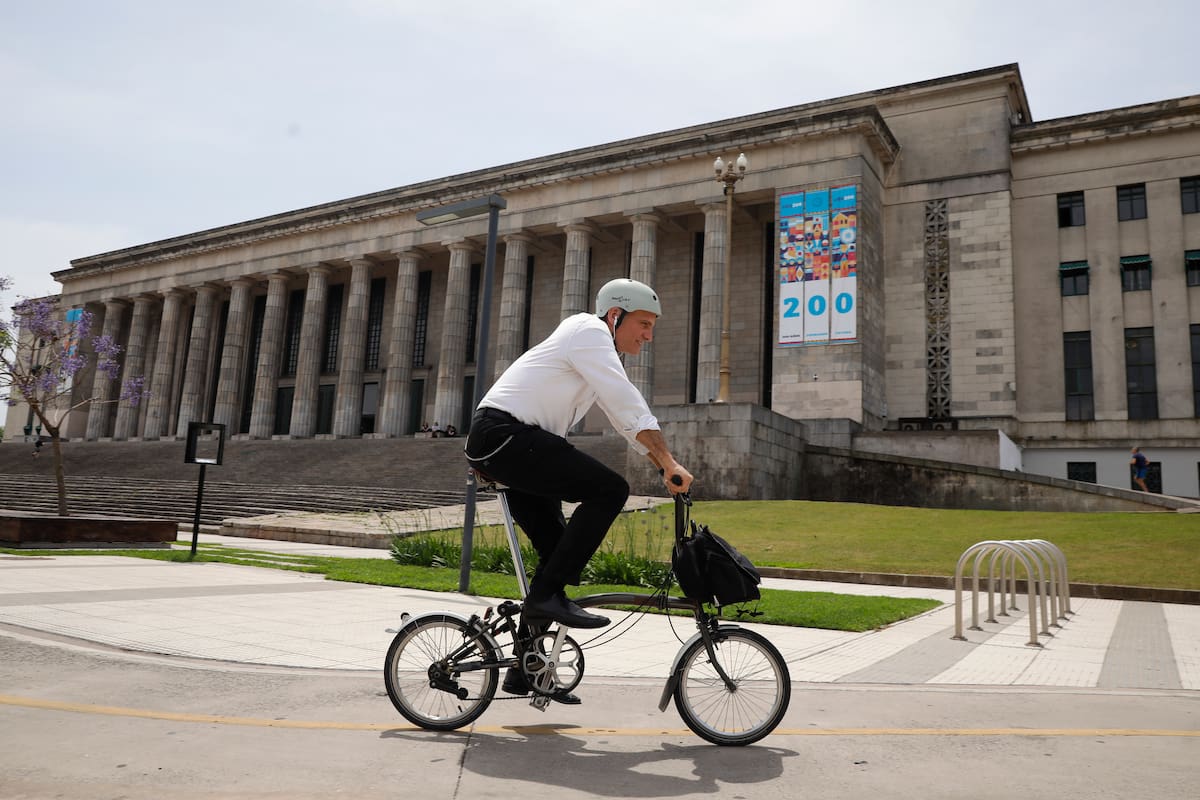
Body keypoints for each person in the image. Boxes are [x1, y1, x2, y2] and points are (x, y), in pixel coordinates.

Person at [464, 278, 693, 701]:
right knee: (610, 490)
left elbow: (625, 421)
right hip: (505, 436)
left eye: (652, 327)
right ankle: (546, 599)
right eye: (644, 323)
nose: (649, 334)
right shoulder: (587, 331)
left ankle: (524, 670)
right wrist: (669, 461)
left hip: (516, 447)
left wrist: (664, 467)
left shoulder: (596, 357)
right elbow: (626, 401)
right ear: (615, 315)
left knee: (556, 556)